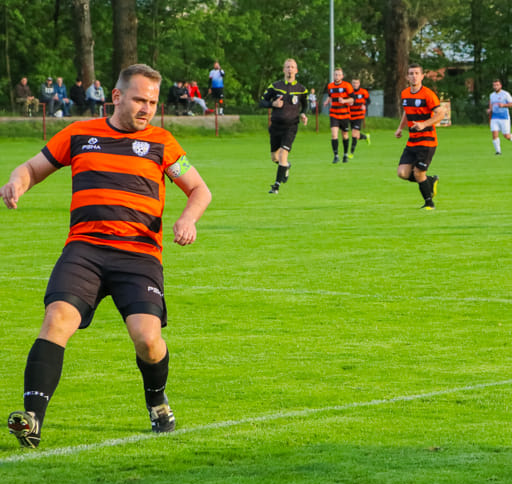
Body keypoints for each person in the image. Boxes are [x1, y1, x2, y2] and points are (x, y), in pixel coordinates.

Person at [1, 63, 212, 448]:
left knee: (148, 340)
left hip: (138, 255)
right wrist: (17, 182)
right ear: (116, 97)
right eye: (138, 99)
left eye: (152, 101)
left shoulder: (163, 143)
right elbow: (32, 167)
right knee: (57, 319)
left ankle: (157, 402)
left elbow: (200, 190)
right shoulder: (80, 133)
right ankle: (31, 419)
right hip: (85, 250)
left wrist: (187, 219)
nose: (146, 108)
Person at [395, 64, 446, 210]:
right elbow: (407, 112)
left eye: (417, 73)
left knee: (418, 172)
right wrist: (400, 128)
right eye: (411, 73)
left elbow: (441, 113)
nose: (414, 76)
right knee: (402, 173)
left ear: (422, 76)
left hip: (427, 141)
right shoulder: (405, 93)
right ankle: (429, 180)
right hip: (412, 141)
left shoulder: (428, 94)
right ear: (407, 77)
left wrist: (424, 124)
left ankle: (429, 204)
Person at [259, 58, 309, 194]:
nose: (290, 69)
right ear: (283, 70)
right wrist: (272, 104)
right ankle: (286, 166)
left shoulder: (301, 89)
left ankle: (276, 186)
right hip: (275, 126)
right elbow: (262, 102)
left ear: (296, 70)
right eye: (287, 67)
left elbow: (305, 105)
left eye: (292, 67)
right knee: (274, 157)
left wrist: (303, 114)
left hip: (291, 126)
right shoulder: (275, 86)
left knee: (282, 154)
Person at [324, 68, 354, 163]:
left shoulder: (347, 86)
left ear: (342, 76)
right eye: (335, 74)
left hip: (345, 114)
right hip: (334, 113)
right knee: (334, 135)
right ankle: (336, 156)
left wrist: (344, 101)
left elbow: (353, 100)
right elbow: (330, 96)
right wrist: (327, 101)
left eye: (339, 74)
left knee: (345, 135)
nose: (337, 76)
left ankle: (345, 154)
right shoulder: (330, 86)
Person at [487, 79, 512, 155]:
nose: (495, 87)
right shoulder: (492, 95)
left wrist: (504, 105)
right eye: (494, 85)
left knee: (506, 135)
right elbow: (491, 104)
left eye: (497, 85)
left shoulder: (505, 94)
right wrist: (489, 110)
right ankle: (498, 151)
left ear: (500, 86)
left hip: (504, 118)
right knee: (494, 134)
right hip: (495, 117)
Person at [348, 78, 371, 158]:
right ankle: (365, 137)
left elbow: (368, 101)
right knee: (357, 136)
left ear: (359, 83)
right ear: (352, 83)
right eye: (354, 83)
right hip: (351, 115)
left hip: (359, 115)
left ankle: (351, 153)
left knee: (354, 134)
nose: (355, 84)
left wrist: (365, 106)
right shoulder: (349, 92)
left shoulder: (364, 92)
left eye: (357, 83)